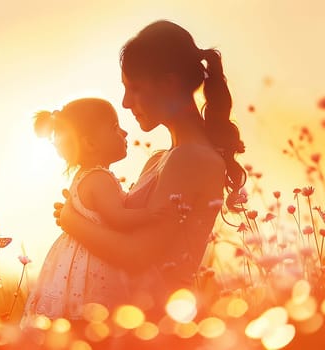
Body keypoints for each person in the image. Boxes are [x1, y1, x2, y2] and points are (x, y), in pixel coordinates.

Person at [56, 20, 246, 316]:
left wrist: (71, 221)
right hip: (130, 314)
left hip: (155, 321)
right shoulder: (161, 158)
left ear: (169, 84)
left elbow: (139, 255)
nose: (126, 102)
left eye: (134, 88)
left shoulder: (192, 158)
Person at [21, 97, 160, 328]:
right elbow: (118, 218)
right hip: (95, 269)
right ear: (90, 144)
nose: (124, 133)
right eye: (115, 128)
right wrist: (153, 213)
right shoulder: (100, 178)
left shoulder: (87, 176)